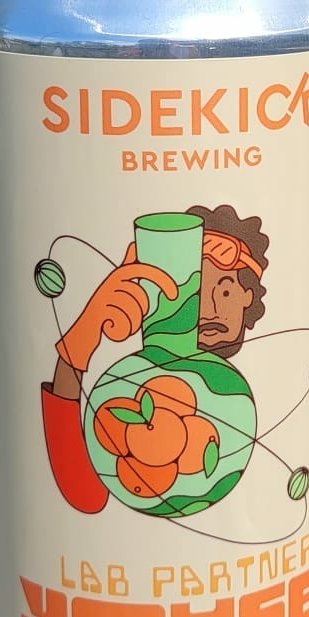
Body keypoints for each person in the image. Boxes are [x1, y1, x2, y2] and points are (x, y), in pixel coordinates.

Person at [40, 206, 268, 513]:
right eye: (197, 294)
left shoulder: (246, 391)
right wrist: (79, 343)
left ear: (248, 297)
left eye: (225, 292)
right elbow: (84, 494)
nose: (210, 309)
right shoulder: (132, 388)